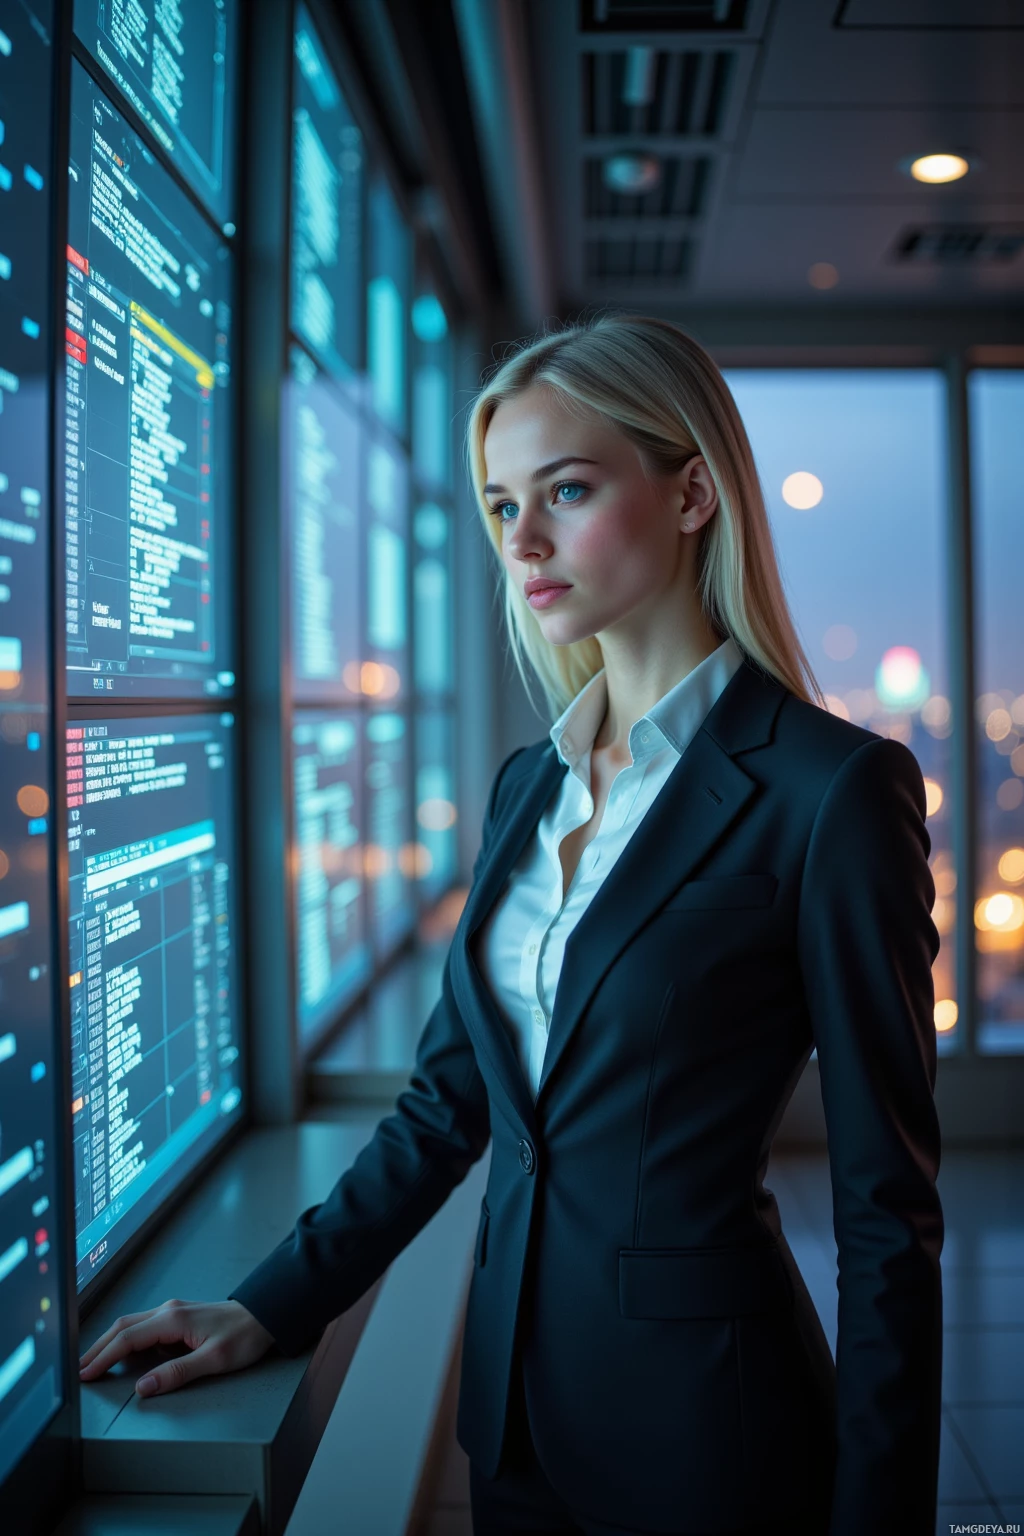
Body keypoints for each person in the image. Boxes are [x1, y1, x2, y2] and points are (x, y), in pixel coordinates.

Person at [79, 314, 944, 1536]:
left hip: (715, 1435)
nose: (522, 542)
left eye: (567, 490)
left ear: (692, 491)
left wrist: (882, 1517)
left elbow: (885, 1209)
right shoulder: (525, 786)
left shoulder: (831, 790)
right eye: (499, 507)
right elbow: (450, 1107)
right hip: (516, 1431)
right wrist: (274, 1306)